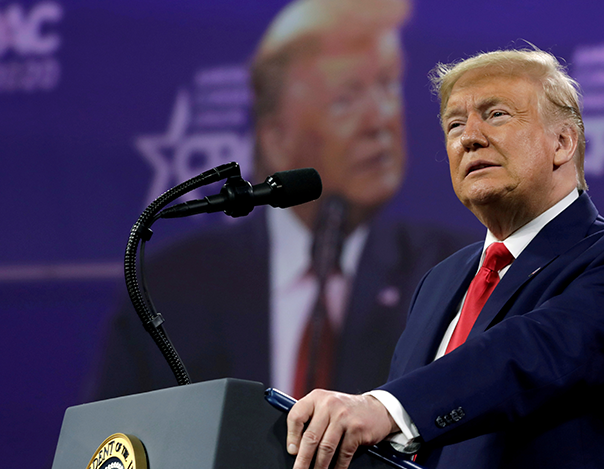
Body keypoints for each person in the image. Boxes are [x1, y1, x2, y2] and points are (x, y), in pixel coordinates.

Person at [283, 46, 604, 469]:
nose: (469, 137)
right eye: (455, 124)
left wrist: (387, 408)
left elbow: (530, 353)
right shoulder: (440, 281)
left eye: (496, 115)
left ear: (563, 142)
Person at [88, 0, 471, 401]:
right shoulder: (173, 285)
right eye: (346, 99)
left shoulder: (451, 270)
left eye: (388, 85)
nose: (380, 119)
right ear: (275, 136)